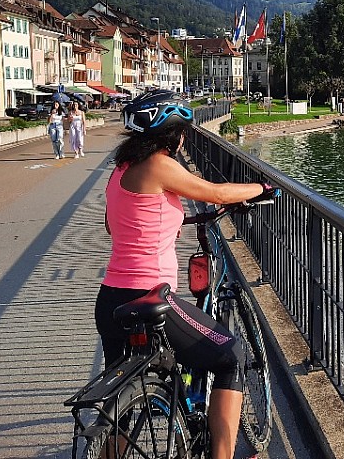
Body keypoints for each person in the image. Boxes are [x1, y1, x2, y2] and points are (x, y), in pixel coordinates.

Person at [95, 89, 269, 459]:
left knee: (121, 401)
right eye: (182, 133)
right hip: (151, 297)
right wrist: (262, 187)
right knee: (230, 356)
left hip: (111, 299)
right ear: (172, 135)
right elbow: (214, 192)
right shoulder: (160, 165)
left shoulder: (120, 171)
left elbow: (114, 226)